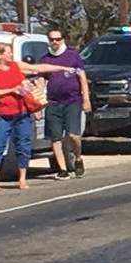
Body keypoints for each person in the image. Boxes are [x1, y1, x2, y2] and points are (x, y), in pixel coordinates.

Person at [0, 41, 40, 191]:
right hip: (1, 114)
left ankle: (22, 178)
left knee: (23, 144)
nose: (11, 54)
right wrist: (11, 90)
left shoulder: (16, 67)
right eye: (8, 52)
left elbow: (35, 70)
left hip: (21, 113)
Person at [39, 28, 91, 179]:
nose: (55, 42)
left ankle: (78, 158)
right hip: (53, 103)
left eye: (57, 39)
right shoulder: (45, 59)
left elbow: (82, 77)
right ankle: (62, 169)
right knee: (55, 138)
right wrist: (38, 103)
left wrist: (85, 98)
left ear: (63, 40)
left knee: (73, 135)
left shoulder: (72, 56)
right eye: (52, 39)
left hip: (72, 101)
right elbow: (41, 81)